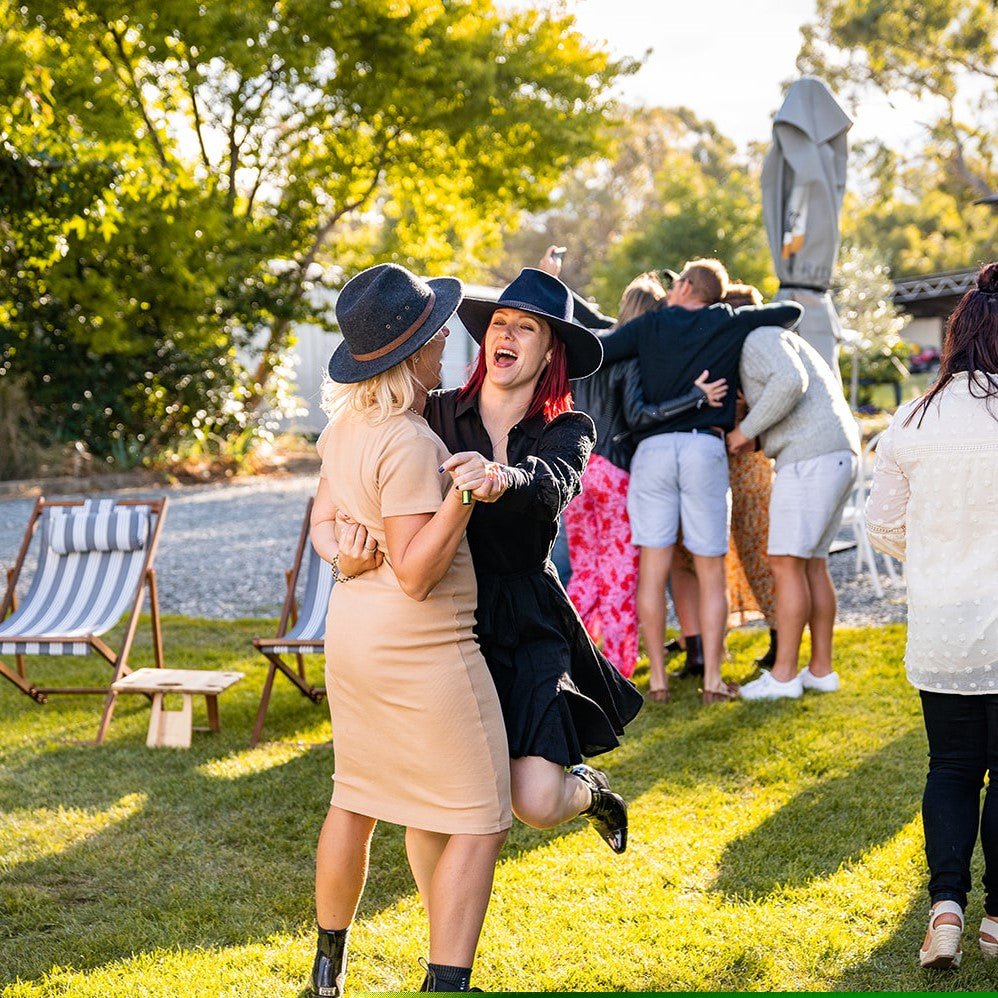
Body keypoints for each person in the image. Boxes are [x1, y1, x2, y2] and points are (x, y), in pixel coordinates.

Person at [339, 267, 644, 855]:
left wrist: (502, 477)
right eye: (500, 322)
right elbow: (372, 474)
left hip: (528, 620)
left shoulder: (567, 427)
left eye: (526, 328)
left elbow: (555, 483)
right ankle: (443, 916)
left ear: (551, 351)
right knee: (436, 802)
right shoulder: (433, 413)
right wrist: (342, 552)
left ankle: (593, 794)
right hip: (447, 617)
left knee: (537, 801)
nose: (506, 333)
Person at [308, 263, 511, 996]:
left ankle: (326, 975)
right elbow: (418, 573)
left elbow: (322, 524)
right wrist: (465, 494)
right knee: (482, 816)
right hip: (422, 648)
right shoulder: (409, 443)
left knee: (355, 798)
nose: (449, 339)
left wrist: (345, 559)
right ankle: (446, 985)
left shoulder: (344, 429)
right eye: (438, 333)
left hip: (353, 637)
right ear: (414, 352)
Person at [865, 262, 998, 969]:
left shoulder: (913, 418)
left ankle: (945, 910)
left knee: (949, 766)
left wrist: (936, 554)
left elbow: (881, 524)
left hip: (942, 621)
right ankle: (997, 917)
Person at [599, 258, 804, 704]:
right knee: (711, 570)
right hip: (703, 448)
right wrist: (729, 315)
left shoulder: (649, 326)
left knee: (653, 569)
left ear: (687, 286)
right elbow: (792, 311)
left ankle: (657, 682)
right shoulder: (727, 320)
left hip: (652, 451)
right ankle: (712, 680)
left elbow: (601, 349)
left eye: (677, 283)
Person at [560, 270, 728, 682]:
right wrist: (694, 398)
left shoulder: (591, 352)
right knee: (619, 577)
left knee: (584, 573)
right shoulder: (633, 357)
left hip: (578, 471)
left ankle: (568, 659)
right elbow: (637, 415)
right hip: (615, 472)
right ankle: (616, 671)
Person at [726, 289, 860, 701]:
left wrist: (744, 432)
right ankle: (820, 670)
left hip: (809, 459)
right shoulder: (781, 338)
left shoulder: (757, 337)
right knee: (812, 564)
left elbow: (790, 382)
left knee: (785, 563)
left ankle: (783, 677)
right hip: (836, 453)